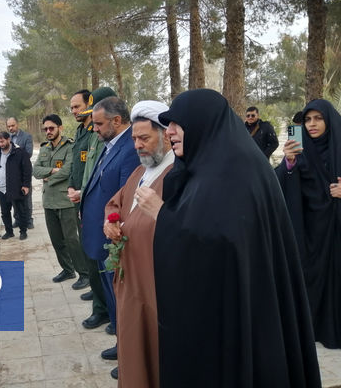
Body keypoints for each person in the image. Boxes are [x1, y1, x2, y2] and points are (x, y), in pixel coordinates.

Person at [136, 88, 321, 387]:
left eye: (176, 123)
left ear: (201, 122)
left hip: (244, 319)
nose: (169, 131)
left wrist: (162, 215)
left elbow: (221, 243)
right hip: (225, 311)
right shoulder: (206, 165)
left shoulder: (236, 170)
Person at [103, 101, 174, 388]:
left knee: (155, 350)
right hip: (130, 282)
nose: (137, 145)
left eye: (144, 138)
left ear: (166, 136)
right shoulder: (141, 172)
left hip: (154, 285)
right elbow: (115, 204)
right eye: (134, 139)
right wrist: (111, 222)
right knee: (132, 345)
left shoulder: (176, 175)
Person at [80, 96, 139, 380]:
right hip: (102, 238)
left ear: (117, 121)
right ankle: (120, 344)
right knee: (114, 301)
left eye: (99, 124)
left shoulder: (129, 148)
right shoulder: (110, 144)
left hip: (114, 240)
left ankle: (130, 355)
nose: (95, 129)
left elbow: (125, 200)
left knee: (122, 301)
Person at [276, 99, 341, 349]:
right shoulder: (301, 150)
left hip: (336, 228)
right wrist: (289, 163)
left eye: (318, 119)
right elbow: (279, 183)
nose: (312, 124)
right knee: (311, 277)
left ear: (329, 120)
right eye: (308, 120)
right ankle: (313, 327)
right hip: (310, 229)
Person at [67, 88, 112, 319]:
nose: (75, 111)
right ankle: (97, 295)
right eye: (72, 108)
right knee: (89, 251)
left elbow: (95, 171)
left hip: (92, 201)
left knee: (98, 256)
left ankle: (102, 305)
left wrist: (83, 193)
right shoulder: (83, 131)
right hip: (81, 198)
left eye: (78, 106)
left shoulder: (97, 134)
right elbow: (79, 167)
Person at [33, 114, 88, 289]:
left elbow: (68, 169)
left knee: (72, 240)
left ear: (60, 128)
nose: (48, 132)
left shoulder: (70, 147)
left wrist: (50, 176)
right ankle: (68, 269)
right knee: (57, 240)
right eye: (46, 129)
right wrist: (52, 171)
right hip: (49, 201)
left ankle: (84, 274)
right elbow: (36, 171)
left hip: (65, 201)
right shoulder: (44, 149)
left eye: (51, 128)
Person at [0, 131, 31, 240]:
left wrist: (26, 185)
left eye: (2, 141)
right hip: (1, 188)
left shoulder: (19, 152)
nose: (0, 144)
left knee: (20, 210)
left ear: (8, 139)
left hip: (16, 187)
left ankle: (23, 231)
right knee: (4, 212)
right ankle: (9, 232)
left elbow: (27, 170)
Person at [7, 117, 34, 229]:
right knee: (13, 197)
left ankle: (28, 220)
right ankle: (18, 219)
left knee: (26, 197)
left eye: (12, 125)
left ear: (17, 124)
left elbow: (28, 153)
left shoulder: (26, 137)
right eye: (8, 126)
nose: (11, 128)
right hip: (11, 173)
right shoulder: (7, 138)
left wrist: (15, 152)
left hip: (24, 172)